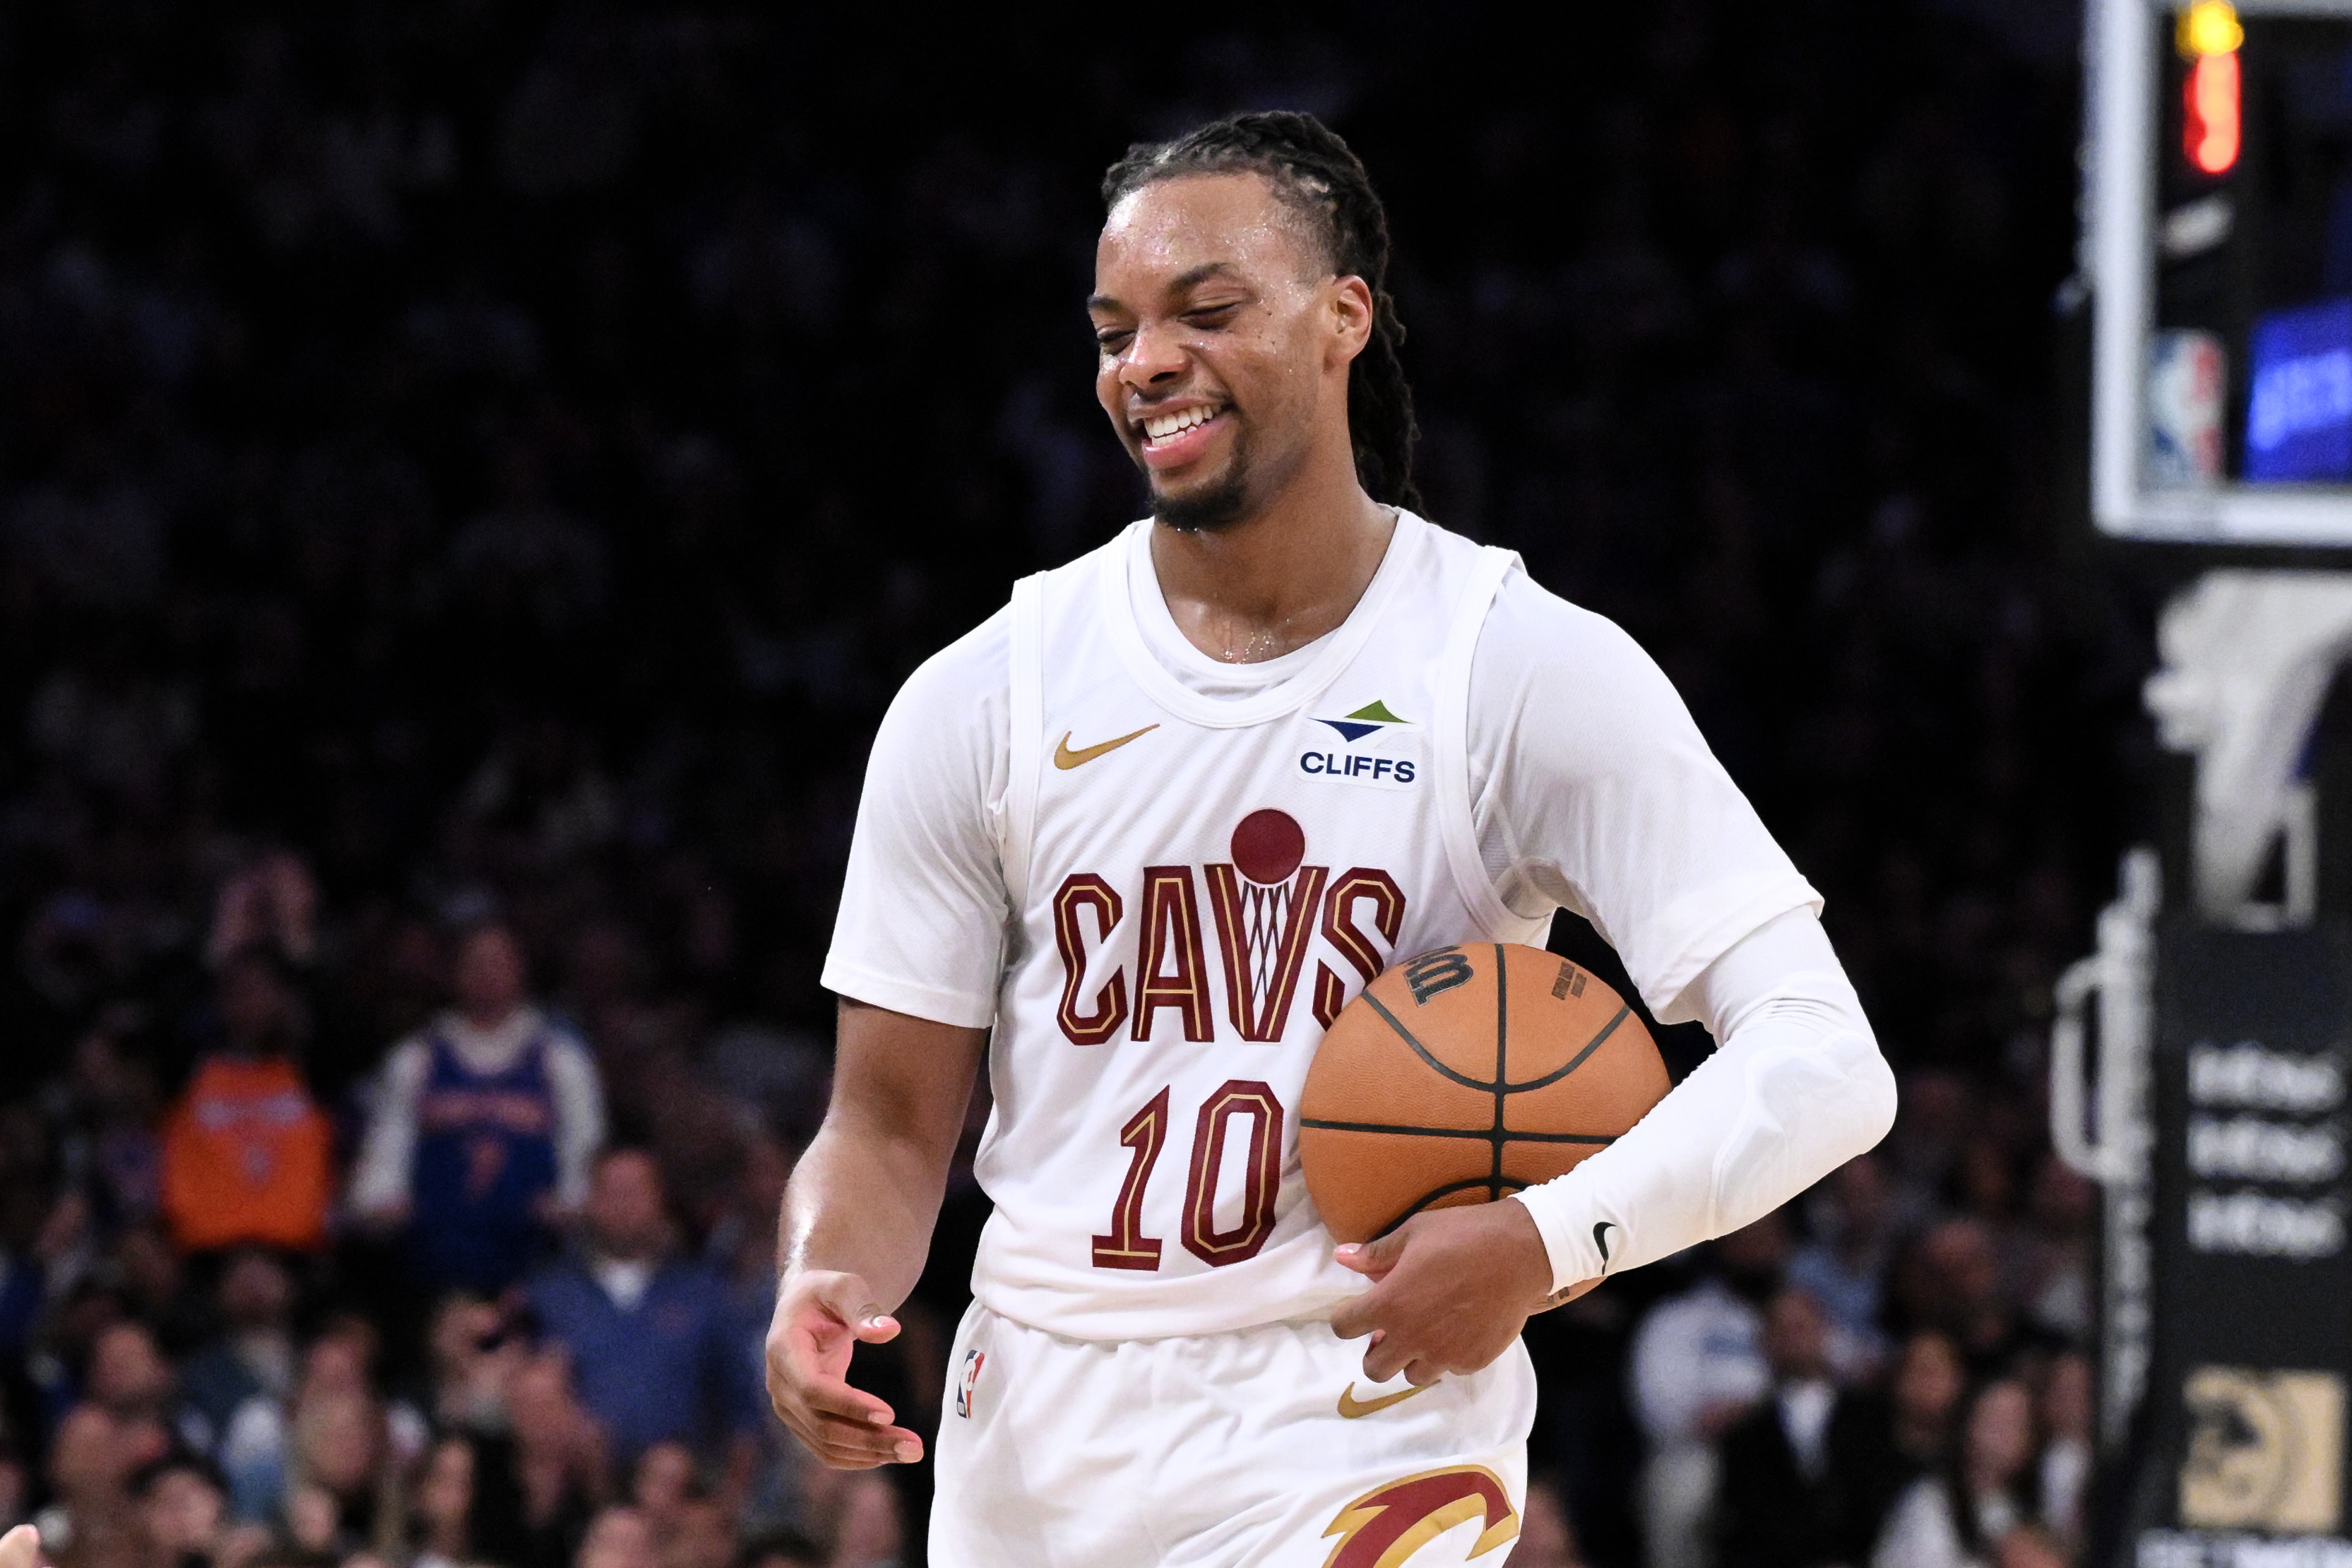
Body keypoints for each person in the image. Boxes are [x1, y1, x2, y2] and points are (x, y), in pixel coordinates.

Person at [764, 109, 1896, 1566]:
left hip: (1369, 1408)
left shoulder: (1514, 669)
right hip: (1037, 1431)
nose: (1144, 361)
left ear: (1341, 318)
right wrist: (823, 1276)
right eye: (1115, 329)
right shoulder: (988, 691)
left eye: (1206, 310)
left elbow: (1823, 1059)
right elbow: (891, 1124)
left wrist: (1552, 1240)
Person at [349, 922, 605, 1294]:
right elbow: (386, 1148)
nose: (488, 975)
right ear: (454, 973)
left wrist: (572, 1204)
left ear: (521, 971)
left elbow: (585, 1149)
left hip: (537, 1262)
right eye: (476, 963)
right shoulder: (415, 1057)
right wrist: (381, 1202)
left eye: (499, 963)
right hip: (432, 1260)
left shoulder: (560, 1058)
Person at [528, 1150, 761, 1472]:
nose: (624, 1205)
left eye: (636, 1192)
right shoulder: (550, 1295)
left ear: (662, 1201)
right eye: (611, 1192)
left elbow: (743, 1416)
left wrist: (727, 1508)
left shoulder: (704, 1293)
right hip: (577, 1493)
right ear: (589, 1201)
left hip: (685, 1488)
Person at [1627, 1218, 1782, 1568]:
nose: (1759, 1252)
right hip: (1697, 1455)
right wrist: (1736, 1416)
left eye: (1769, 1239)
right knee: (1683, 1478)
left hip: (1775, 1451)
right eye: (1748, 1239)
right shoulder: (1678, 1318)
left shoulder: (1797, 1310)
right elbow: (1659, 1409)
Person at [160, 951, 333, 1257]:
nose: (253, 1003)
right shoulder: (187, 1067)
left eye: (265, 991)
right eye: (241, 991)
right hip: (207, 1252)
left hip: (295, 1251)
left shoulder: (315, 1071)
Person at [1870, 1379, 2043, 1568]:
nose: (2001, 1434)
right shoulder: (1929, 1502)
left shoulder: (2019, 1512)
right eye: (1994, 1419)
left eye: (2014, 1423)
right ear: (1969, 1424)